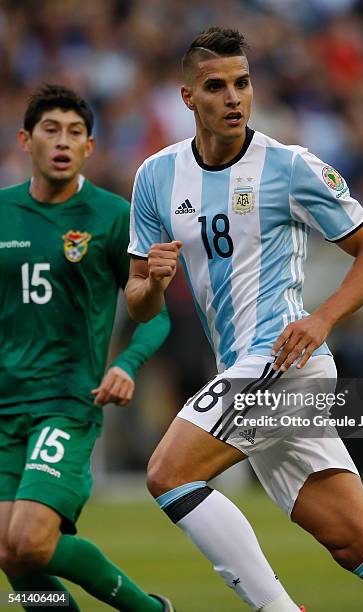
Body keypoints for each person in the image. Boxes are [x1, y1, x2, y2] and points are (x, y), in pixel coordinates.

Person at [126, 27, 363, 612]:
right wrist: (152, 282)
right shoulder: (155, 177)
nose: (234, 98)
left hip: (287, 362)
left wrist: (324, 318)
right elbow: (140, 302)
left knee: (167, 472)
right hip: (243, 370)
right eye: (216, 87)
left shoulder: (290, 166)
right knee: (358, 543)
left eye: (243, 83)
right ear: (188, 98)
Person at [0, 84, 175, 612]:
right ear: (25, 140)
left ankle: (150, 611)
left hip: (67, 402)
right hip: (5, 406)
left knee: (31, 540)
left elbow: (153, 317)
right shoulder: (3, 212)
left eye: (75, 133)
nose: (63, 141)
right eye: (51, 130)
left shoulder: (110, 216)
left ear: (89, 148)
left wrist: (125, 363)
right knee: (11, 555)